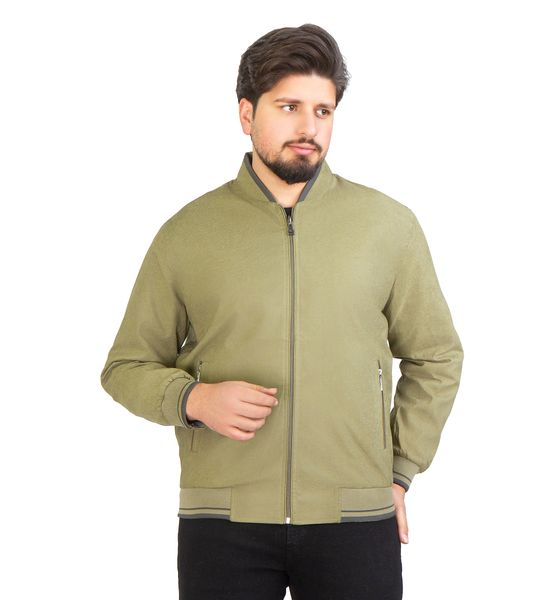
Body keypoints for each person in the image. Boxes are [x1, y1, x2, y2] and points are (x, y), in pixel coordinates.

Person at [100, 23, 464, 600]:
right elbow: (125, 367)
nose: (308, 128)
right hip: (223, 520)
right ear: (246, 114)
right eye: (289, 107)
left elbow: (436, 355)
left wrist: (399, 472)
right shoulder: (188, 233)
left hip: (355, 516)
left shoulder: (387, 227)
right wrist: (194, 401)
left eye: (323, 111)